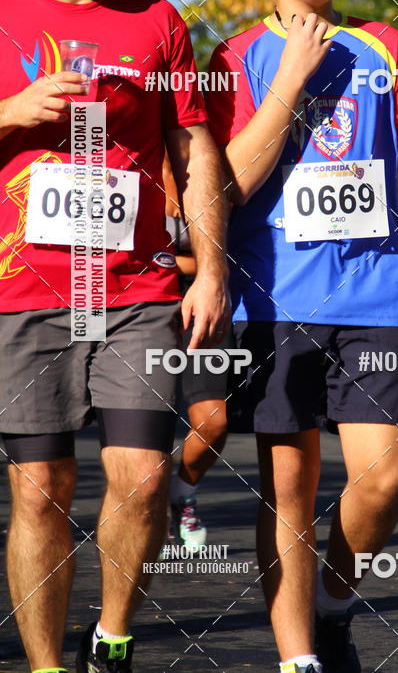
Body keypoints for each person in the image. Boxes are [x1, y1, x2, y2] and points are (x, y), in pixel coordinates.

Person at [205, 0, 398, 673]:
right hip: (276, 301)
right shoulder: (237, 56)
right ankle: (298, 660)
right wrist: (288, 83)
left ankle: (334, 600)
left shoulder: (385, 45)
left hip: (379, 296)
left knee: (383, 481)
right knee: (289, 492)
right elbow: (226, 187)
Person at [0, 0, 229, 673]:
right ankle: (45, 667)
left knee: (138, 478)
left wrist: (210, 266)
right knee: (41, 490)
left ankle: (115, 637)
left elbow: (195, 148)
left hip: (134, 286)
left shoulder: (157, 21)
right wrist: (13, 110)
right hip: (22, 291)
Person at [162, 156, 228, 551]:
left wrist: (201, 265)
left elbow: (226, 248)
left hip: (204, 300)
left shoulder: (211, 158)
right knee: (142, 435)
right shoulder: (132, 153)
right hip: (143, 301)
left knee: (214, 421)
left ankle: (182, 490)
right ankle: (145, 509)